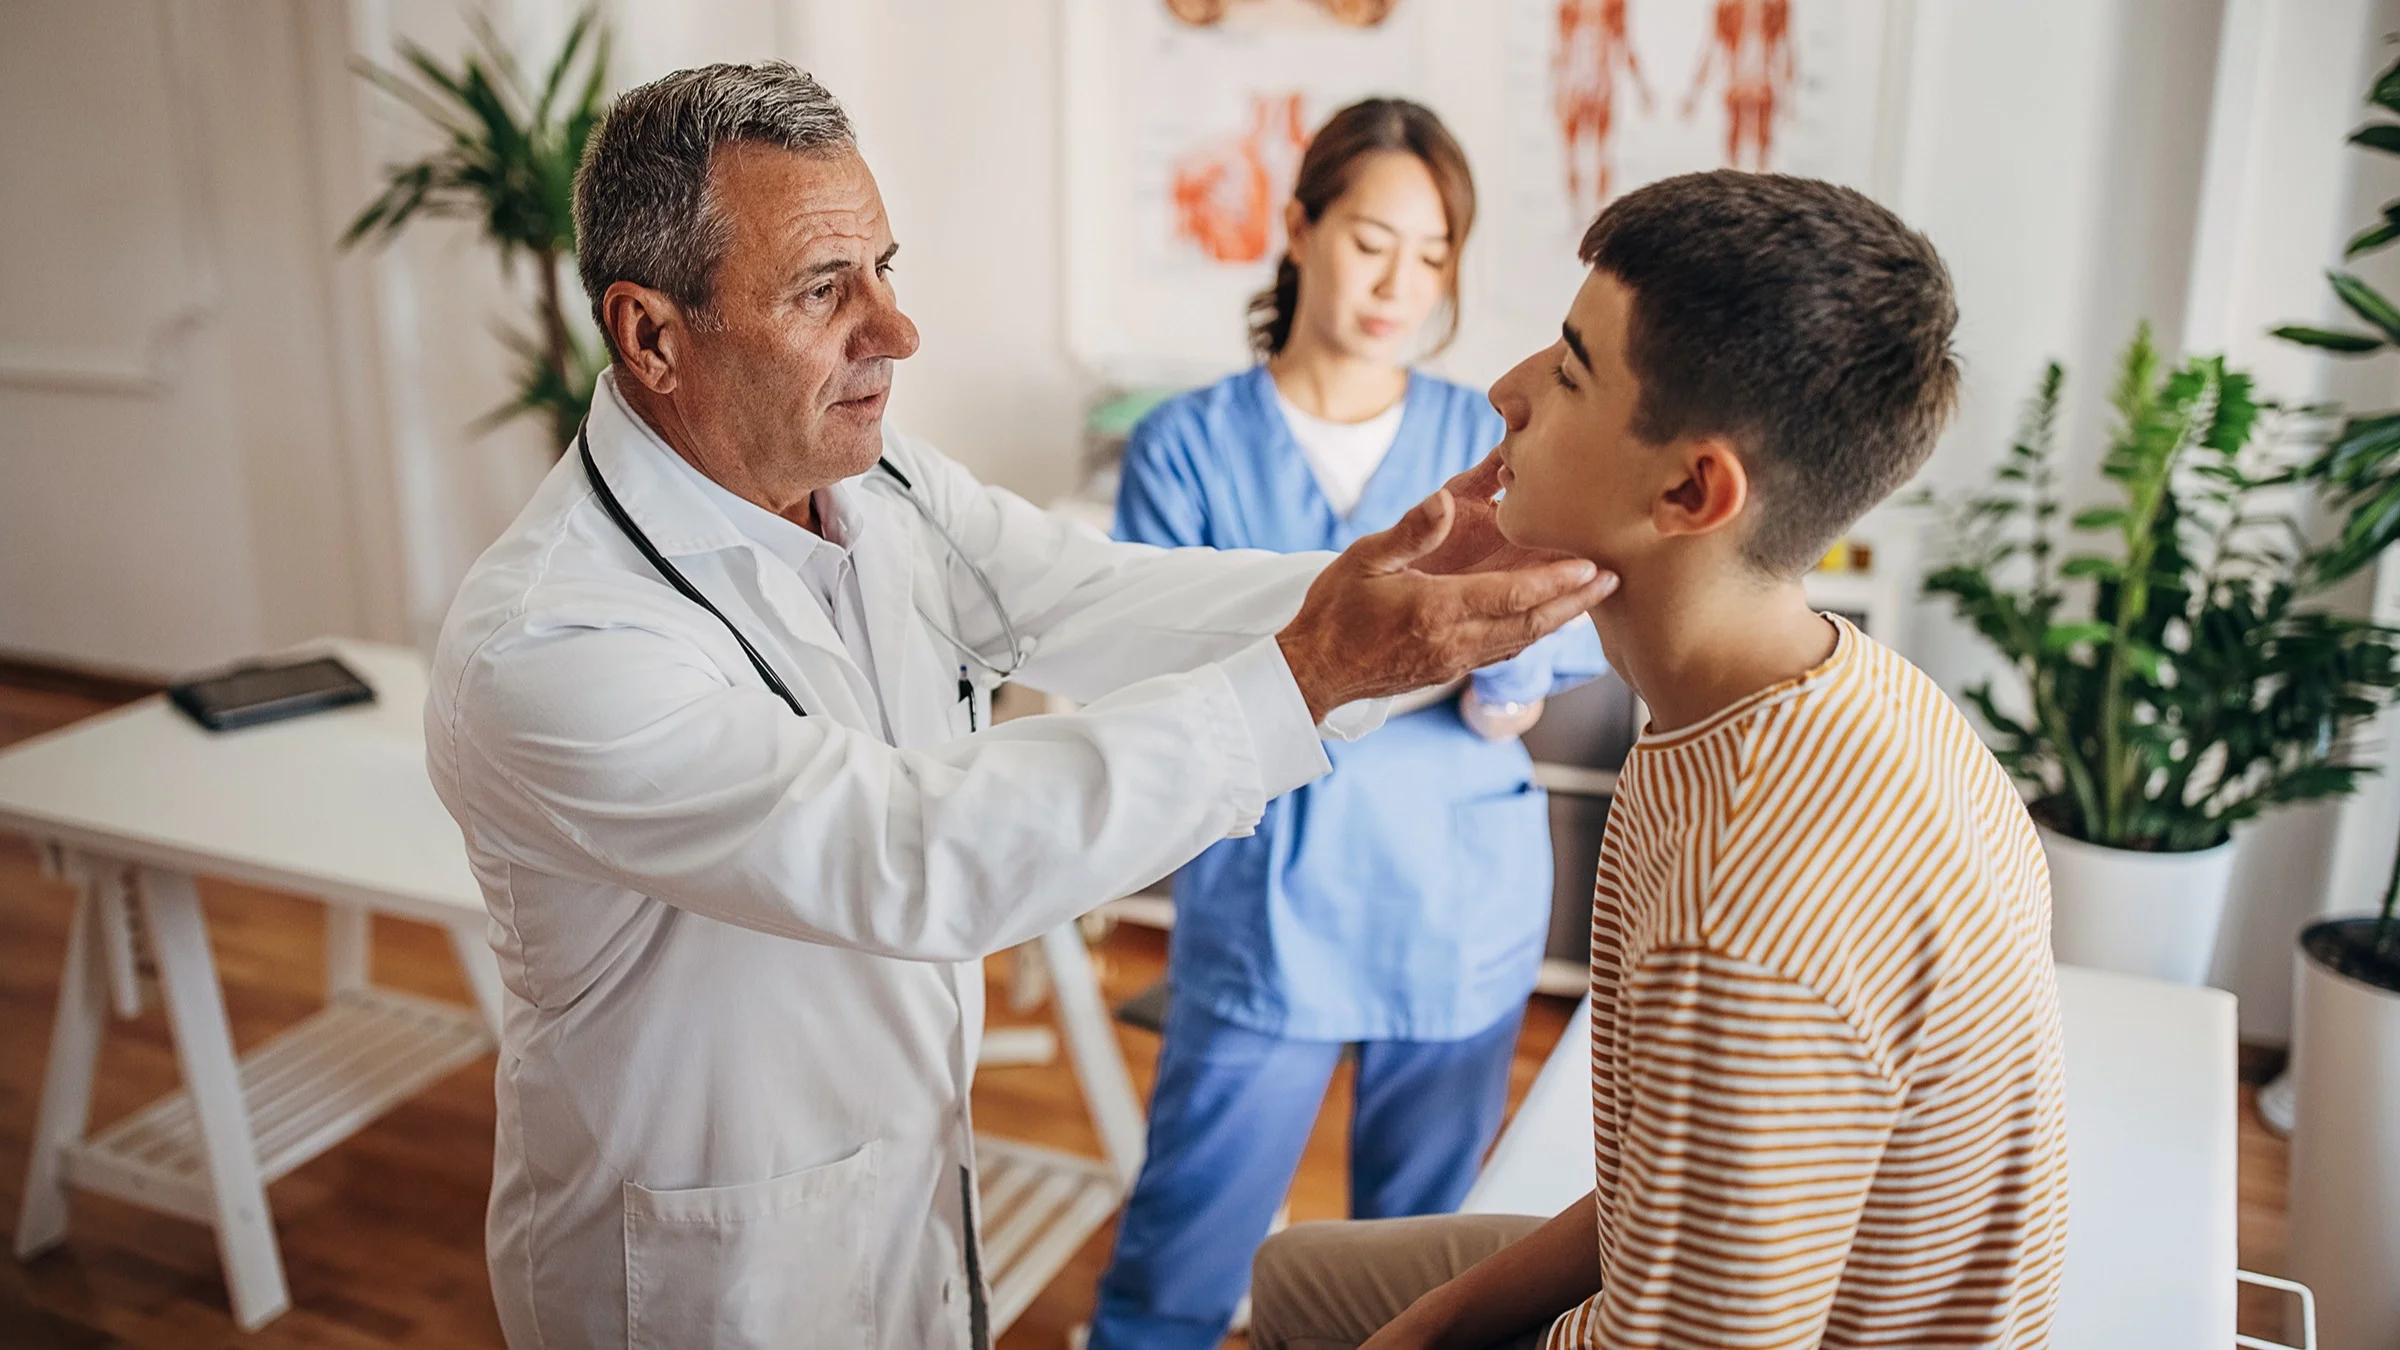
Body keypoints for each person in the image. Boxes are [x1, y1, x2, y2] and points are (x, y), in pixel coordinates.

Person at [423, 63, 1616, 1350]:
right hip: (704, 1266)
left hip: (898, 1188)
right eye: (825, 290)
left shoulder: (885, 490)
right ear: (652, 334)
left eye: (885, 267)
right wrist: (1315, 670)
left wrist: (1413, 576)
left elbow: (1103, 598)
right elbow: (914, 855)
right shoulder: (553, 642)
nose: (896, 331)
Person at [1248, 171, 2071, 1349]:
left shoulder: (1746, 921)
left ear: (1692, 489)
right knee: (1303, 1283)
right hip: (1699, 1273)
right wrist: (1430, 1324)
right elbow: (1667, 1193)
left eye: (1571, 370)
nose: (1506, 390)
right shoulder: (1820, 689)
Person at [1092, 98, 1607, 1350]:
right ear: (1302, 226)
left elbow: (1543, 656)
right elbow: (1158, 674)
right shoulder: (1188, 445)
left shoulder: (1490, 439)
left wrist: (1503, 673)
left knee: (1413, 1284)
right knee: (1177, 1262)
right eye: (1374, 239)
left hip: (1457, 913)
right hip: (1266, 916)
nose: (1402, 283)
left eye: (1433, 256)